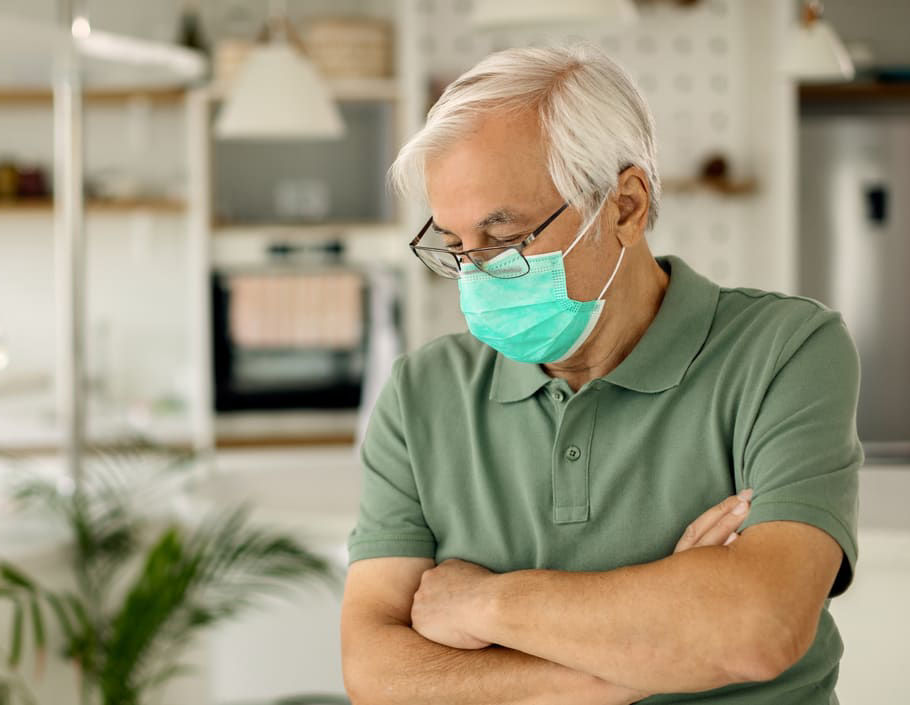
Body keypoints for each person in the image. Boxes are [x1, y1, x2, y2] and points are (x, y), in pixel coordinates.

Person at [340, 44, 860, 705]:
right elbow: (377, 672)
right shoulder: (422, 393)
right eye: (455, 246)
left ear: (624, 207)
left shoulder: (786, 350)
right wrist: (651, 649)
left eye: (505, 240)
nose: (475, 275)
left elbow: (759, 627)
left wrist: (484, 602)